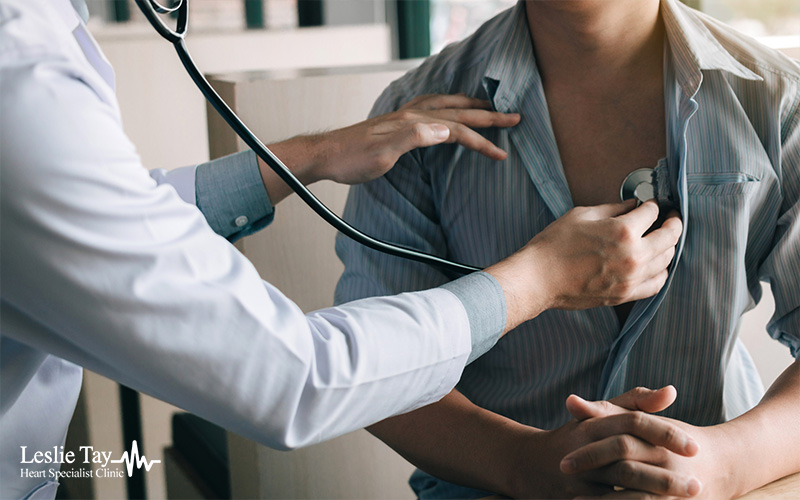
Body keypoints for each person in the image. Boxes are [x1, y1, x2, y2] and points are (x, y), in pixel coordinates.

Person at [0, 1, 687, 499]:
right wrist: (537, 280)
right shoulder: (18, 79)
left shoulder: (769, 99)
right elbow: (293, 379)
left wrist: (312, 157)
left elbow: (105, 225)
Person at [335, 0, 800, 498]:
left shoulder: (777, 99)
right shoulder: (413, 116)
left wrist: (729, 461)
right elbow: (374, 371)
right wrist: (519, 462)